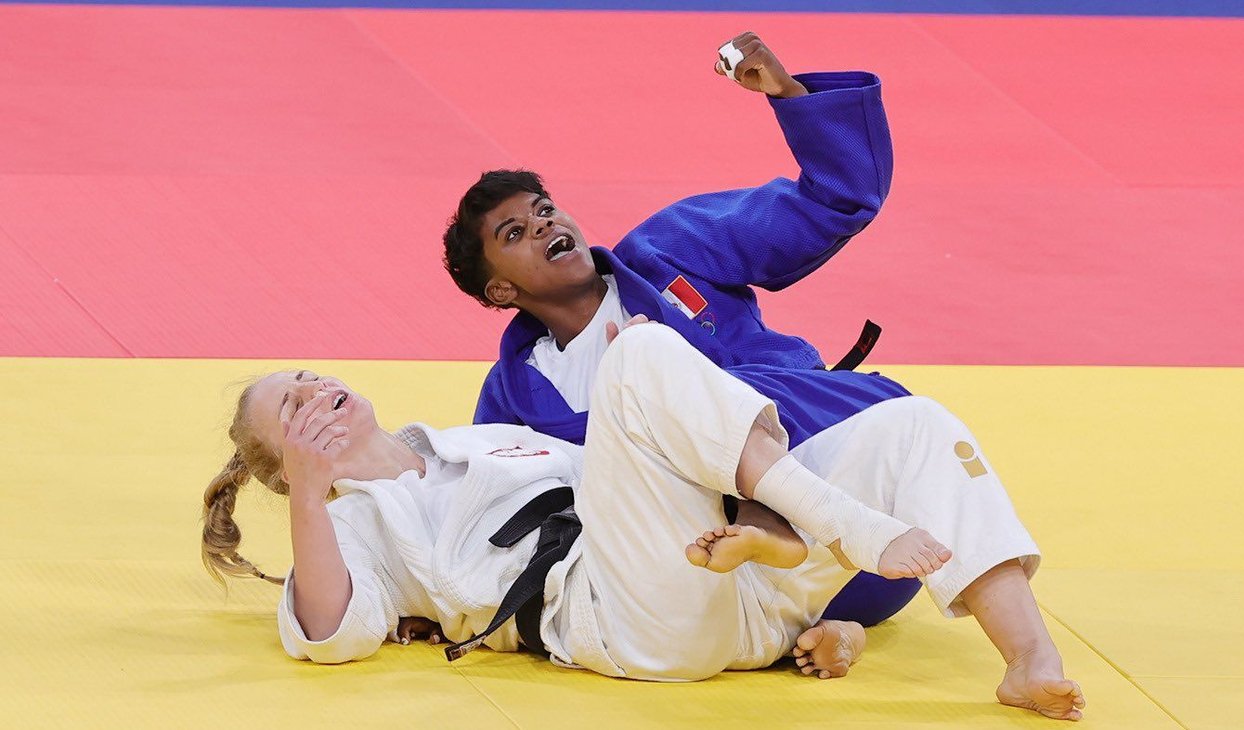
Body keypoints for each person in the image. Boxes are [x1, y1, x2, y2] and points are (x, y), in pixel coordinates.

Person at [201, 324, 1085, 721]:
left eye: (308, 375)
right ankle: (835, 524)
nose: (315, 389)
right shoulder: (355, 526)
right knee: (639, 357)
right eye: (292, 407)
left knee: (914, 426)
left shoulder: (474, 437)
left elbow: (653, 475)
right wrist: (311, 497)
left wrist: (750, 523)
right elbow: (330, 635)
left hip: (723, 584)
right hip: (620, 617)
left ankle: (1028, 661)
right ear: (284, 467)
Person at [442, 31, 918, 628]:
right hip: (717, 574)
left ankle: (784, 546)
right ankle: (816, 626)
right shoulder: (513, 396)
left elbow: (836, 200)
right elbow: (488, 511)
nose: (542, 225)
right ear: (500, 291)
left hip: (848, 495)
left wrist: (789, 94)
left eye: (543, 209)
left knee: (711, 396)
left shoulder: (670, 251)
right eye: (513, 234)